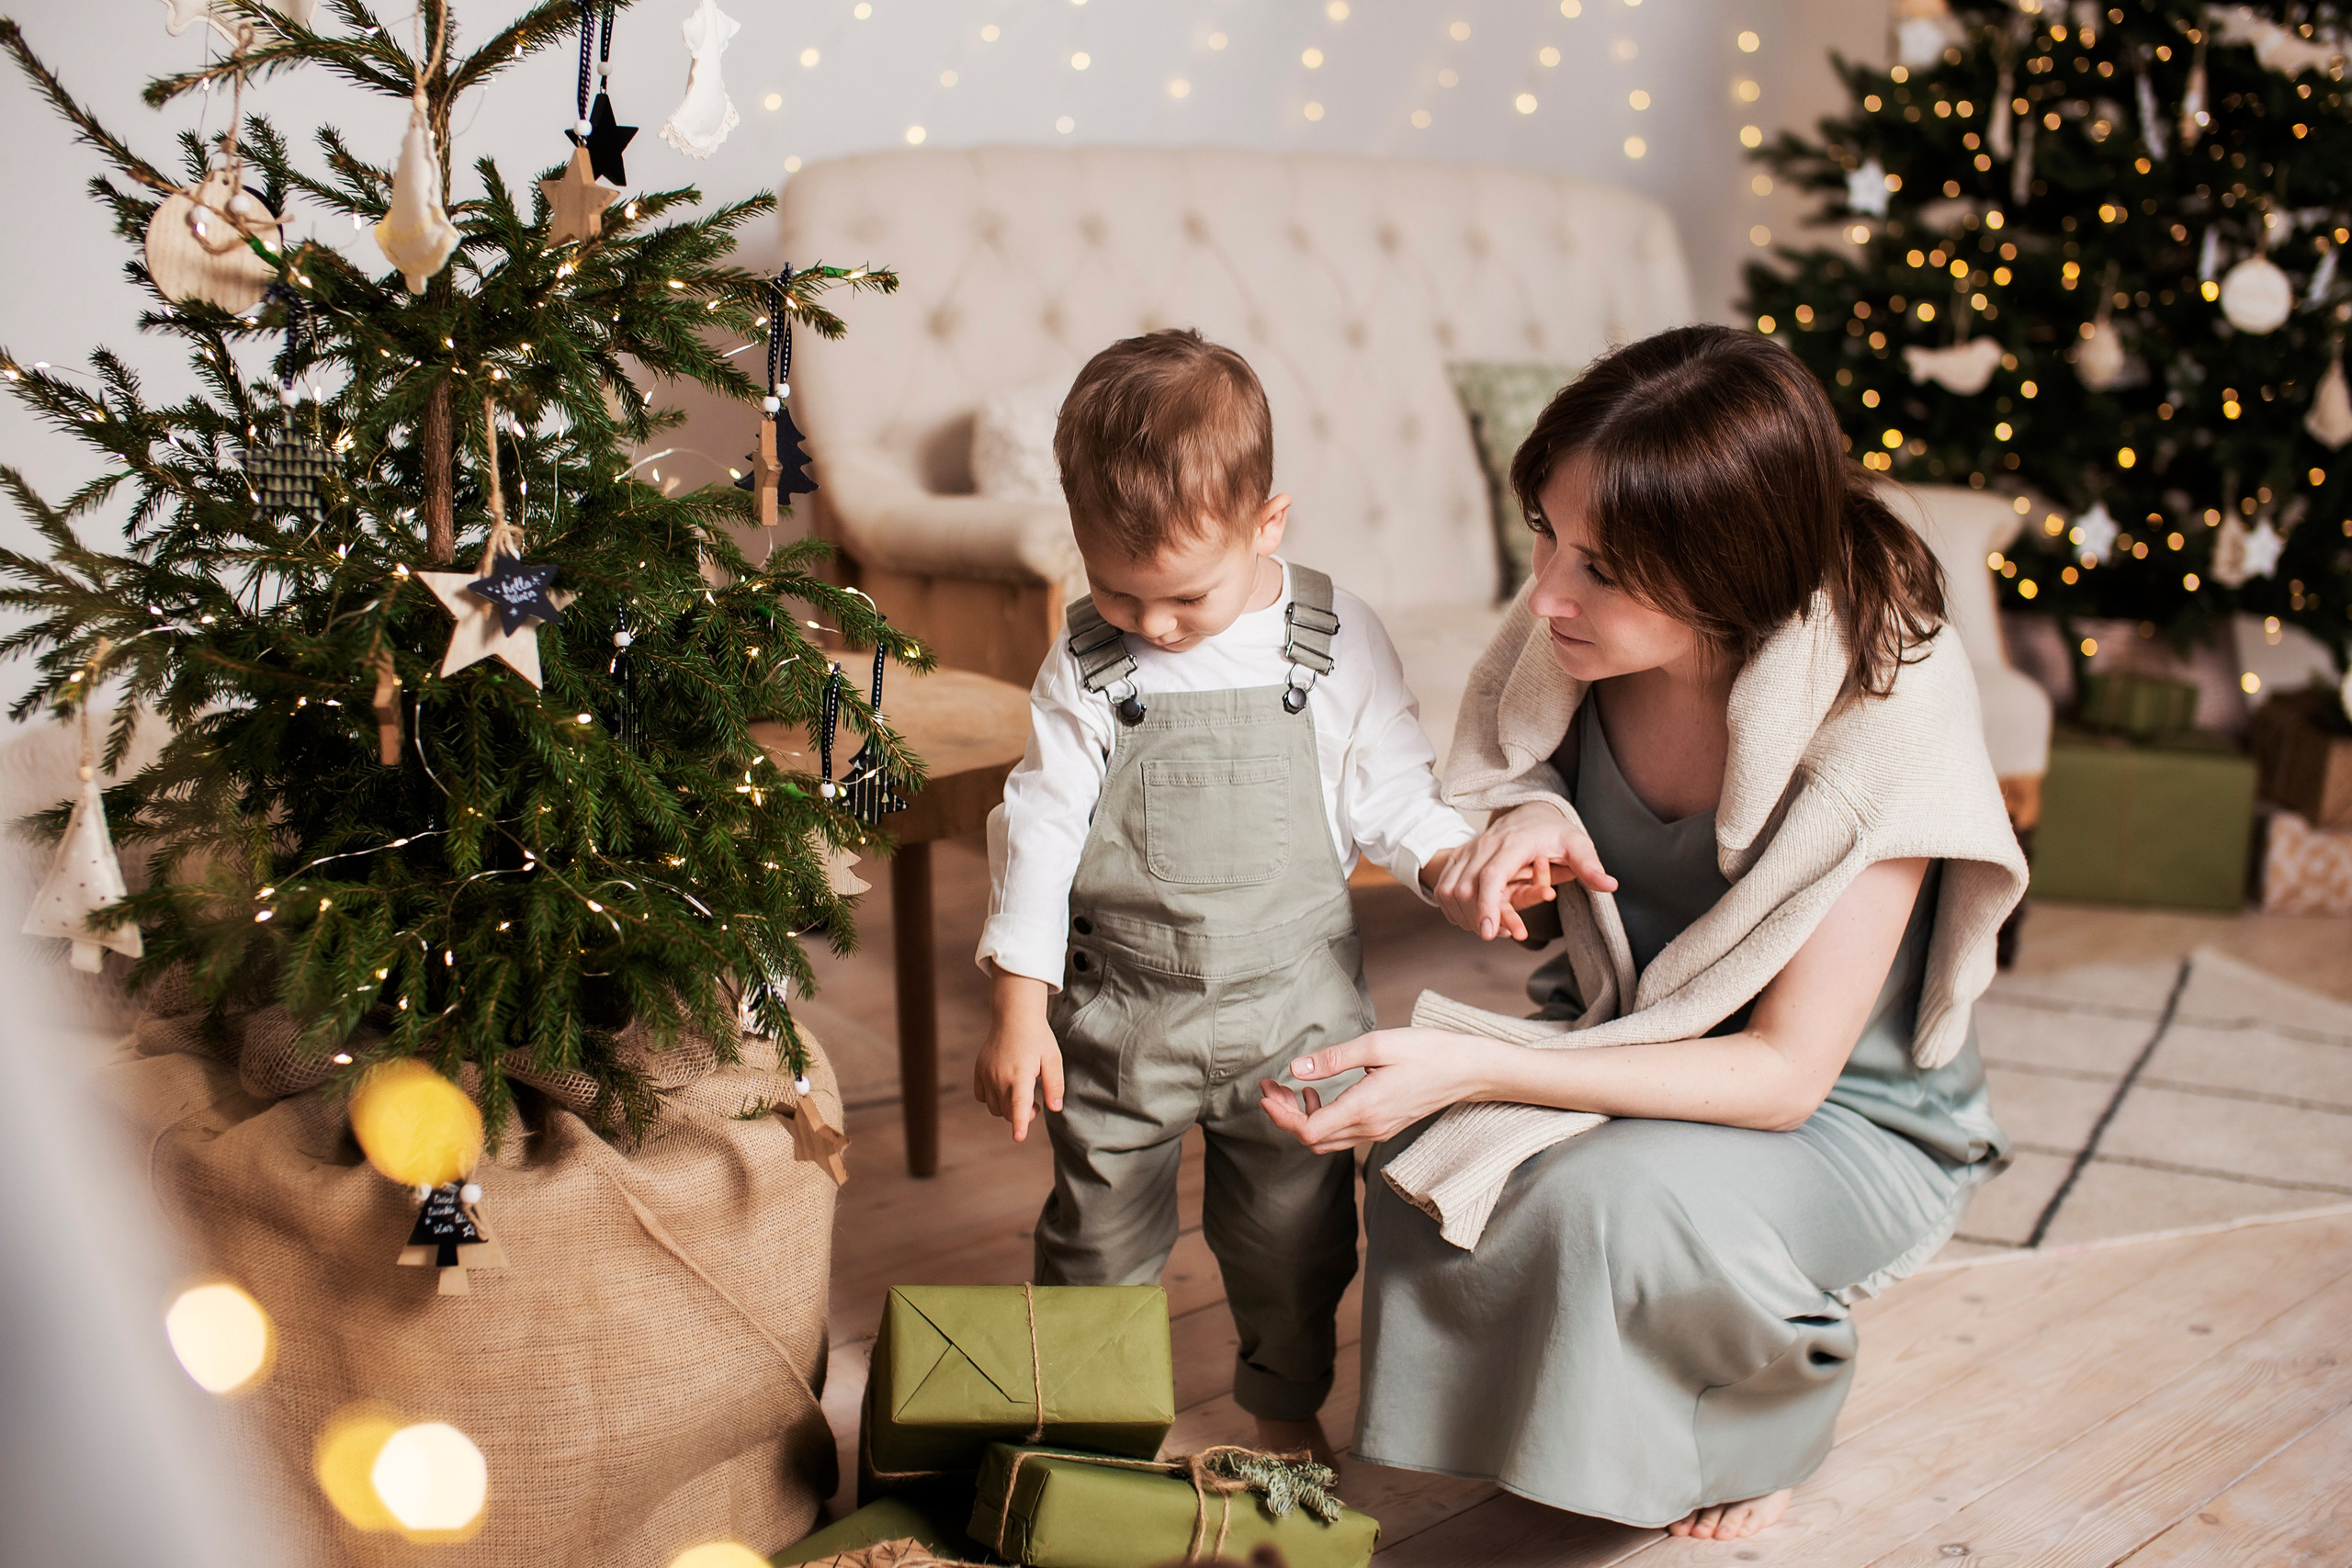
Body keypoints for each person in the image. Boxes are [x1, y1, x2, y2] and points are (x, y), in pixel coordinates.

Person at [1261, 324, 2024, 1541]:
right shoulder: (1570, 634)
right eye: (1545, 534)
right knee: (1435, 1159)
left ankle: (1763, 1404)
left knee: (1606, 1196)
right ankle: (1568, 1422)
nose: (1550, 588)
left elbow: (1785, 1075)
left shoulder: (1888, 696)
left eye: (1600, 565)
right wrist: (1518, 821)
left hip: (1849, 1114)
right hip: (1631, 1038)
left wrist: (1481, 1058)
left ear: (1733, 569)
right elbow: (1504, 778)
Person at [974, 329, 1475, 1465]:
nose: (1148, 625)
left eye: (1183, 597)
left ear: (1268, 525)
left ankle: (1283, 1411)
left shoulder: (1334, 640)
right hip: (1121, 1014)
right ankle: (1085, 1434)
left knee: (1294, 1238)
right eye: (1115, 588)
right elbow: (1042, 831)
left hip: (1292, 1015)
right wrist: (1017, 1003)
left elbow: (1392, 787)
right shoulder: (1089, 663)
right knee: (1093, 1234)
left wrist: (1447, 863)